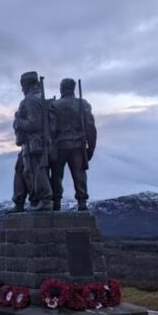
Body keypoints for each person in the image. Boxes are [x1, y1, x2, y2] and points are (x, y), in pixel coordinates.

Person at [51, 78, 97, 211]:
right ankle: (82, 202)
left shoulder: (54, 105)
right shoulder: (82, 104)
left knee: (56, 175)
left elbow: (51, 129)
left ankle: (56, 202)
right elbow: (90, 127)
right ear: (73, 88)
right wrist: (91, 148)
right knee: (79, 174)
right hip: (77, 145)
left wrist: (50, 147)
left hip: (59, 146)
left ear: (61, 88)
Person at [13, 71, 54, 212]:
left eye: (22, 85)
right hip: (33, 143)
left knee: (37, 171)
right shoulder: (39, 98)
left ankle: (44, 200)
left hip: (35, 142)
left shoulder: (30, 101)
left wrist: (18, 121)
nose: (22, 88)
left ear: (27, 84)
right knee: (21, 169)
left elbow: (34, 125)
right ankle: (20, 203)